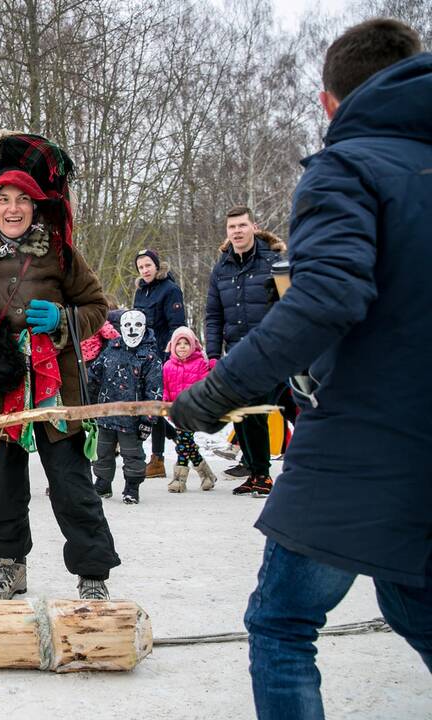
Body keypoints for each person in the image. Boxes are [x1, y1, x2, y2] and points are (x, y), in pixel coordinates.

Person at [170, 19, 431, 718]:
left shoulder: (347, 168)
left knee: (282, 623)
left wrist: (215, 392)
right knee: (413, 603)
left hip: (370, 438)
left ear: (328, 103)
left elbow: (327, 297)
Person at [0, 133, 120, 601]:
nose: (12, 208)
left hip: (56, 389)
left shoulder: (60, 253)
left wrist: (65, 318)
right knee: (1, 490)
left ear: (36, 206)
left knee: (72, 485)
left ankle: (92, 572)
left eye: (22, 199)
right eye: (2, 199)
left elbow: (98, 306)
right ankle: (9, 565)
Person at [204, 206, 286, 495]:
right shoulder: (222, 268)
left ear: (254, 227)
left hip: (270, 351)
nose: (236, 231)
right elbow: (213, 315)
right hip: (237, 352)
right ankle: (254, 470)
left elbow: (289, 303)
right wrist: (213, 354)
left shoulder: (274, 262)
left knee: (255, 409)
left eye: (241, 225)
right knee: (243, 411)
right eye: (231, 227)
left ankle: (262, 473)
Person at [87, 310, 162, 505]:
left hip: (132, 419)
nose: (132, 329)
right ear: (120, 328)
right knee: (102, 451)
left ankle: (132, 486)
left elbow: (154, 391)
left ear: (144, 328)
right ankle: (103, 483)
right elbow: (94, 377)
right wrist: (89, 404)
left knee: (132, 453)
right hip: (106, 414)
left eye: (137, 325)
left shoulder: (150, 358)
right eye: (127, 325)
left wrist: (148, 420)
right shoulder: (111, 350)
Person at [132, 248, 185, 479]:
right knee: (150, 407)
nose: (145, 270)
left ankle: (157, 458)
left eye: (148, 265)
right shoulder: (140, 292)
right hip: (142, 355)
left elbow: (177, 326)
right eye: (141, 267)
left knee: (155, 407)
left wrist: (168, 355)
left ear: (156, 266)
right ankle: (173, 439)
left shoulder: (170, 290)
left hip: (162, 355)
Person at [161, 326, 216, 493]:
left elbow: (205, 386)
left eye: (186, 343)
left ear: (193, 345)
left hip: (193, 411)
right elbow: (165, 387)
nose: (182, 346)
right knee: (187, 443)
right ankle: (207, 475)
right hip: (175, 411)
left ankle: (179, 480)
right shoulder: (168, 366)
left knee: (184, 441)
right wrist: (164, 402)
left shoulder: (200, 364)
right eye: (179, 343)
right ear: (172, 346)